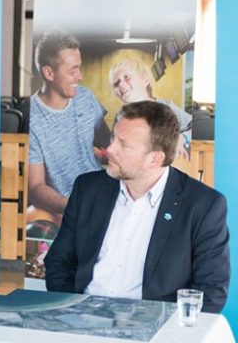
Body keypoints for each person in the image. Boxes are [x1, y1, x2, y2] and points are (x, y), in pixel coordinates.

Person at [45, 101, 229, 313]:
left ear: (155, 159)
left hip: (153, 329)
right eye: (114, 138)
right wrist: (73, 311)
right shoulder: (88, 188)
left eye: (124, 145)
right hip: (82, 318)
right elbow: (59, 262)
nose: (110, 149)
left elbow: (210, 291)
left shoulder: (203, 205)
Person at [28, 29, 110, 217]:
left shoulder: (86, 97)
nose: (79, 76)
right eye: (73, 70)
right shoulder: (32, 118)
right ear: (49, 73)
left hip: (105, 195)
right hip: (68, 210)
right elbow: (36, 187)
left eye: (79, 68)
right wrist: (77, 206)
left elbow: (111, 144)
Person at [109, 58, 192, 159]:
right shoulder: (120, 116)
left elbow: (194, 127)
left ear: (146, 80)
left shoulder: (167, 106)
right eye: (116, 83)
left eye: (127, 77)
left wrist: (182, 138)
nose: (121, 84)